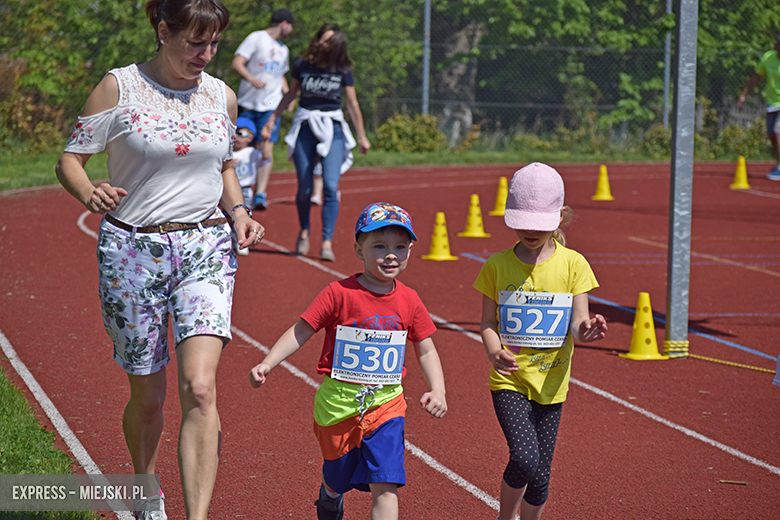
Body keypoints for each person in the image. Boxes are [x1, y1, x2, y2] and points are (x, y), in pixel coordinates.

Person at [54, 1, 265, 518]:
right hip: (133, 250)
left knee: (200, 386)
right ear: (163, 30)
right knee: (148, 397)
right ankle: (145, 486)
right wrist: (89, 193)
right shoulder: (119, 87)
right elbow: (70, 160)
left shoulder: (222, 95)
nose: (206, 54)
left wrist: (238, 211)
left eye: (214, 44)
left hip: (205, 248)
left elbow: (223, 167)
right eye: (196, 42)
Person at [248, 202, 447, 520]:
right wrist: (269, 362)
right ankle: (329, 494)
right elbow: (302, 330)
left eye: (399, 246)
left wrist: (438, 390)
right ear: (358, 249)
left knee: (386, 482)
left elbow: (426, 348)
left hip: (386, 406)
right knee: (338, 475)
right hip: (338, 406)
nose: (391, 254)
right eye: (379, 246)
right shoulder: (338, 293)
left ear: (410, 250)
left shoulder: (410, 299)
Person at [473, 163, 608, 520]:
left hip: (552, 383)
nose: (530, 231)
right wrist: (493, 350)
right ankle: (505, 517)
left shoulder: (574, 265)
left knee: (541, 475)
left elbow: (578, 323)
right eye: (522, 222)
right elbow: (487, 322)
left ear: (560, 216)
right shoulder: (496, 266)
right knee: (524, 457)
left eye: (539, 223)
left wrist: (587, 331)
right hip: (510, 381)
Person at [261, 23, 371, 262]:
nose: (323, 44)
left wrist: (361, 135)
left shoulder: (342, 69)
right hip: (306, 125)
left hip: (333, 126)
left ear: (337, 45)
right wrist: (272, 118)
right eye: (322, 38)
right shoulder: (302, 65)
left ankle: (327, 241)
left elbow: (352, 104)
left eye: (330, 41)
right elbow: (291, 94)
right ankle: (304, 230)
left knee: (330, 187)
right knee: (305, 187)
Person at [231, 8, 295, 210]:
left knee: (266, 147)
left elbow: (281, 75)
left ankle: (260, 194)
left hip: (271, 106)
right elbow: (237, 63)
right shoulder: (257, 38)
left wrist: (288, 95)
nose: (292, 31)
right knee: (241, 145)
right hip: (249, 104)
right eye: (291, 26)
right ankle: (236, 188)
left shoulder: (284, 49)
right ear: (284, 23)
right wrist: (252, 79)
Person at [738, 34, 780, 181]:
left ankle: (779, 168)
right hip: (773, 103)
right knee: (771, 135)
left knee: (778, 131)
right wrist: (743, 95)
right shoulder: (768, 58)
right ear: (776, 46)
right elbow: (756, 77)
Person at [232, 116, 270, 255]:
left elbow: (266, 156)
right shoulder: (227, 152)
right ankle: (230, 237)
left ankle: (241, 240)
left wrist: (266, 140)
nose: (237, 136)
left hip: (245, 190)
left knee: (244, 215)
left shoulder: (251, 153)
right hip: (228, 190)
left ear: (250, 137)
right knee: (227, 215)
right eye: (235, 132)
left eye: (242, 134)